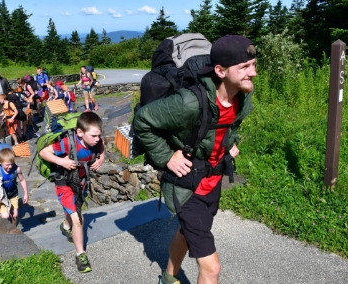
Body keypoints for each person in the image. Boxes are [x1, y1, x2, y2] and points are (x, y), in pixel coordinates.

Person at [134, 35, 257, 284]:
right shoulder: (189, 102)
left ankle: (168, 277)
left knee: (186, 232)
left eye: (253, 65)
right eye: (244, 67)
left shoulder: (242, 98)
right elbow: (143, 120)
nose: (253, 73)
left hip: (212, 182)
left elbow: (224, 128)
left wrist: (228, 147)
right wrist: (167, 157)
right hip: (186, 187)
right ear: (220, 71)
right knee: (211, 268)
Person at [39, 112, 105, 273]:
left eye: (99, 135)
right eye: (94, 135)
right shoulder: (67, 143)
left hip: (81, 184)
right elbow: (44, 152)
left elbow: (102, 147)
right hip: (64, 184)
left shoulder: (97, 142)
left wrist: (101, 159)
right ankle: (80, 255)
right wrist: (61, 161)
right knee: (78, 219)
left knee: (72, 213)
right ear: (80, 133)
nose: (97, 139)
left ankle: (65, 225)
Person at [0, 148, 29, 226]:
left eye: (12, 164)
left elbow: (22, 180)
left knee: (15, 215)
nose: (10, 167)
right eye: (7, 165)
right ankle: (4, 224)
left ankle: (13, 228)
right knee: (5, 216)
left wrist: (26, 194)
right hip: (2, 196)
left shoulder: (16, 169)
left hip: (13, 194)